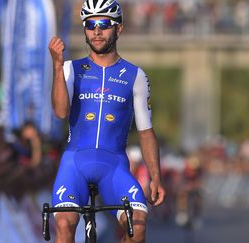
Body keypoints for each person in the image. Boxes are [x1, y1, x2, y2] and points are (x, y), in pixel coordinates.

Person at [48, 1, 166, 242]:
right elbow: (60, 112)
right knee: (63, 224)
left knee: (138, 226)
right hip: (75, 163)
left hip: (114, 165)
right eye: (90, 25)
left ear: (118, 29)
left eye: (104, 24)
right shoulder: (71, 69)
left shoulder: (136, 76)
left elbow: (145, 131)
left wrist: (155, 176)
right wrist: (57, 67)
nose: (97, 31)